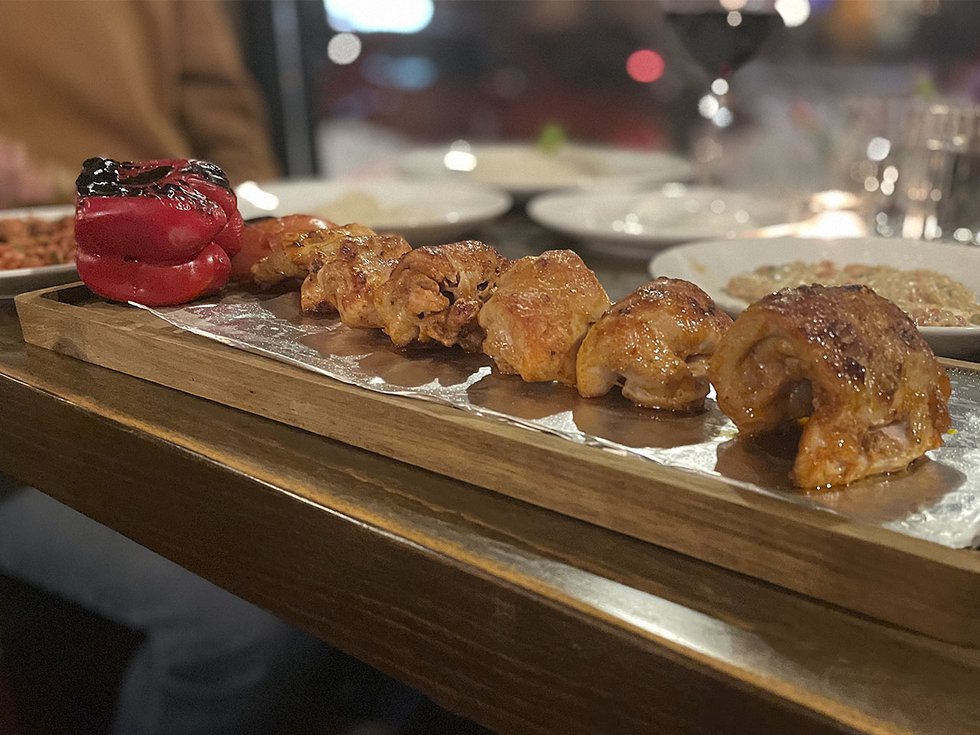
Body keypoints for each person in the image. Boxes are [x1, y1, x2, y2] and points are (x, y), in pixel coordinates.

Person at [0, 2, 421, 733]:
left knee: (382, 534)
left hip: (167, 274)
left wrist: (258, 242)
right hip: (28, 388)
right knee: (253, 608)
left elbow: (221, 108)